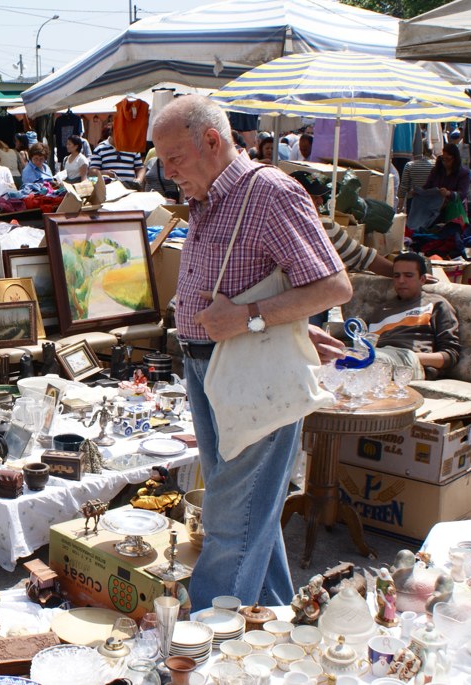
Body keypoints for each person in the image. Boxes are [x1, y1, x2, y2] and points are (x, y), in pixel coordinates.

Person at [151, 95, 350, 610]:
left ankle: (202, 650)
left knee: (229, 520)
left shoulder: (269, 193)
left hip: (251, 370)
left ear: (212, 141)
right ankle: (279, 623)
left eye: (174, 158)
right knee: (248, 512)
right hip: (211, 370)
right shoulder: (206, 198)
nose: (168, 172)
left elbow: (333, 286)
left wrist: (248, 317)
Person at [359, 251, 460, 381]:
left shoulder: (436, 304)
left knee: (375, 361)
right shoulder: (381, 309)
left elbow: (451, 356)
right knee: (340, 358)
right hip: (380, 357)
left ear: (422, 279)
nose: (401, 281)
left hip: (411, 362)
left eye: (408, 275)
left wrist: (413, 357)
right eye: (397, 276)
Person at [422, 142, 471, 217]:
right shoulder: (436, 171)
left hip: (455, 212)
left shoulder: (464, 174)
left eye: (448, 159)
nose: (445, 163)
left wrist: (449, 193)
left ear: (455, 158)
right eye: (443, 159)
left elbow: (462, 194)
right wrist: (419, 192)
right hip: (435, 211)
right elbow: (427, 186)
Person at [397, 144, 435, 214]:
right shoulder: (436, 165)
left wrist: (400, 206)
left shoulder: (410, 165)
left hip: (413, 201)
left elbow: (403, 187)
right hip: (432, 201)